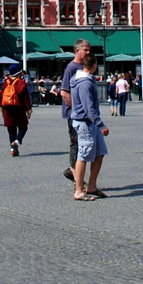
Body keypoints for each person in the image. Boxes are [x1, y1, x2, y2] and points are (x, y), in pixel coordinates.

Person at [68, 53, 109, 200]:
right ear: (95, 65)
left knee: (100, 152)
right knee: (83, 155)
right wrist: (100, 124)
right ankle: (79, 190)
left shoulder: (81, 79)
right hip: (85, 122)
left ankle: (91, 186)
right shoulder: (85, 83)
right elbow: (88, 107)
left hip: (90, 123)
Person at [60, 39, 92, 183]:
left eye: (89, 50)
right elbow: (64, 92)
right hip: (74, 114)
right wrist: (76, 109)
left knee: (83, 145)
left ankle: (72, 171)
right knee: (76, 144)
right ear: (77, 50)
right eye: (85, 50)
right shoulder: (71, 67)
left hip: (82, 114)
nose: (88, 52)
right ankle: (75, 175)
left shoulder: (84, 66)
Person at [0, 67, 31, 157]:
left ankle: (12, 150)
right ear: (18, 73)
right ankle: (16, 142)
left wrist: (2, 108)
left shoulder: (6, 82)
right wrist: (29, 109)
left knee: (11, 130)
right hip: (19, 109)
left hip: (7, 109)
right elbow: (26, 98)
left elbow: (2, 96)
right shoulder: (21, 83)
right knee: (23, 127)